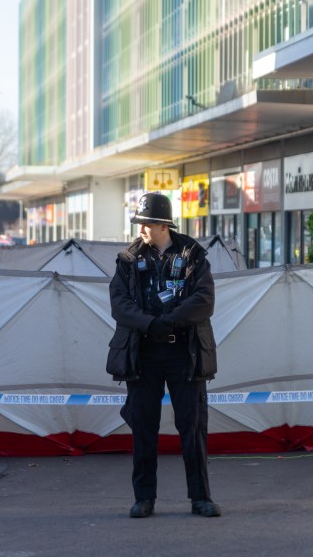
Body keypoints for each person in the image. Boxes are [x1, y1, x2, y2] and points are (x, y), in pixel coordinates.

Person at [107, 192, 221, 519]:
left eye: (146, 223)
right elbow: (120, 304)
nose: (141, 228)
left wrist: (168, 322)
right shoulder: (128, 259)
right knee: (143, 428)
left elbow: (203, 300)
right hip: (144, 352)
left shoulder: (193, 255)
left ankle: (200, 498)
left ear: (162, 225)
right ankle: (144, 498)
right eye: (140, 223)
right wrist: (149, 325)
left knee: (193, 427)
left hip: (184, 351)